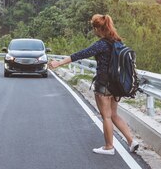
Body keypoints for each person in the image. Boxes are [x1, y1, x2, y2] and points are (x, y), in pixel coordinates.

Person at [49, 14, 140, 155]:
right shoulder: (118, 42)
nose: (93, 31)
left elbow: (80, 54)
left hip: (104, 85)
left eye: (94, 28)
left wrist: (58, 63)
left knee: (107, 116)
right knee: (114, 114)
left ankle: (109, 147)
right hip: (117, 84)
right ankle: (131, 141)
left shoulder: (101, 44)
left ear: (98, 28)